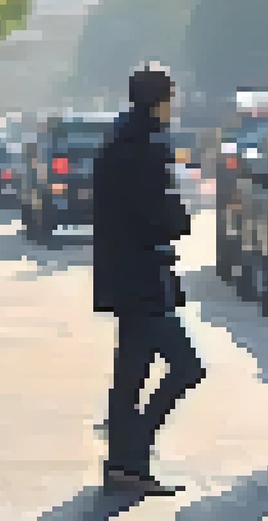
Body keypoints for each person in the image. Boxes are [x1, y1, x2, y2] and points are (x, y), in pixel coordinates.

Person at [92, 64, 201, 496]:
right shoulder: (149, 146)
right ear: (161, 100)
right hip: (144, 278)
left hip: (122, 276)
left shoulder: (117, 140)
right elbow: (162, 216)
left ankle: (123, 466)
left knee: (131, 374)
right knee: (187, 366)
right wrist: (181, 216)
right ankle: (134, 451)